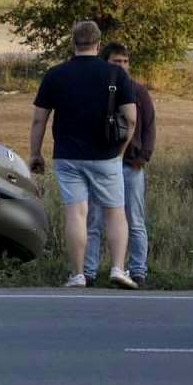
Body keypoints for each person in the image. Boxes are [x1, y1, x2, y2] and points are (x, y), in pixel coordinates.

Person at [29, 21, 138, 289]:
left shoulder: (55, 75)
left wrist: (35, 154)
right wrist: (119, 151)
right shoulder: (115, 74)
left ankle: (78, 274)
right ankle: (117, 268)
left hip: (67, 156)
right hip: (106, 155)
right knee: (115, 212)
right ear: (99, 45)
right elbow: (131, 120)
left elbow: (39, 121)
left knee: (76, 213)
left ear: (72, 43)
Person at [85, 42, 156, 287]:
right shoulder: (96, 90)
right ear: (105, 63)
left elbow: (149, 127)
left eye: (125, 61)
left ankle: (138, 271)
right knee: (93, 220)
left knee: (134, 219)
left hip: (130, 166)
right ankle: (88, 271)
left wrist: (142, 158)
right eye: (117, 61)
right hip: (100, 164)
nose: (122, 66)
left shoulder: (139, 91)